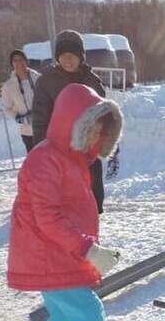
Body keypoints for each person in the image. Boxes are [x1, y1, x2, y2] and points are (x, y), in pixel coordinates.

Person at [8, 83, 138, 321]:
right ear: (72, 124)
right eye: (91, 129)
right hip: (48, 257)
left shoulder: (71, 159)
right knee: (91, 314)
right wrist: (89, 250)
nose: (96, 137)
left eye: (100, 131)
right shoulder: (44, 161)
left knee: (64, 320)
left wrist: (86, 248)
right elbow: (48, 219)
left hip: (57, 255)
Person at [31, 29, 119, 214]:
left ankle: (91, 234)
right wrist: (40, 153)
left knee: (92, 202)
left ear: (81, 56)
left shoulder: (92, 81)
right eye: (63, 55)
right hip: (60, 151)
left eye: (72, 55)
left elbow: (103, 117)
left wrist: (108, 144)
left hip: (88, 152)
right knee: (66, 203)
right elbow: (40, 119)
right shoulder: (46, 82)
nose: (67, 59)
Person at [0, 49, 40, 153]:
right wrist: (19, 118)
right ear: (12, 64)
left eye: (21, 59)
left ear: (26, 61)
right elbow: (6, 108)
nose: (19, 63)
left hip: (45, 128)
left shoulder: (39, 78)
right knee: (35, 162)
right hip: (27, 132)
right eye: (15, 60)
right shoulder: (8, 86)